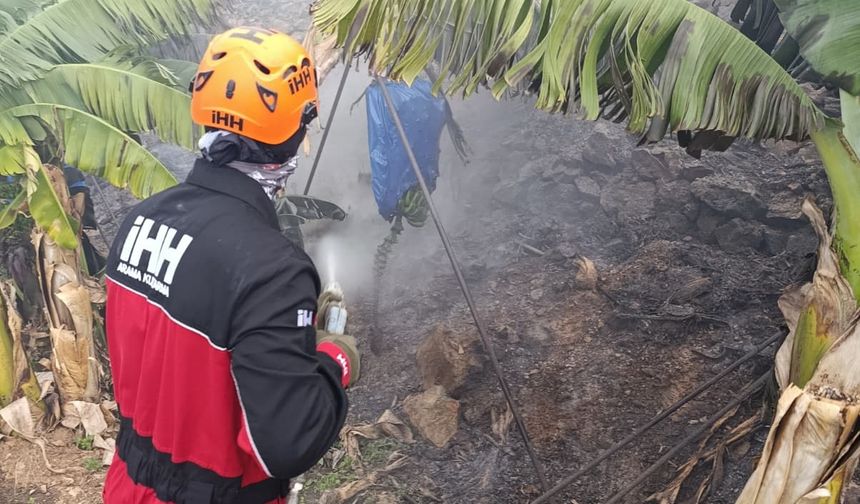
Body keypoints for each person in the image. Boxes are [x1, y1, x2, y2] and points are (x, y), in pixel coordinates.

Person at [102, 27, 360, 504]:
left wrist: (279, 334)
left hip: (127, 486)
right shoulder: (273, 270)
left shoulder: (139, 221)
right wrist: (334, 359)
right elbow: (287, 443)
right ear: (295, 131)